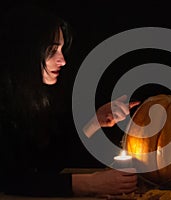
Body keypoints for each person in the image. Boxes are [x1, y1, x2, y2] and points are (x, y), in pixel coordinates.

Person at [0, 5, 139, 197]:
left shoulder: (33, 101)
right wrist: (89, 184)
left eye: (61, 49)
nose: (63, 60)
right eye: (52, 50)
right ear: (25, 53)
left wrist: (96, 120)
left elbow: (47, 159)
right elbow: (11, 180)